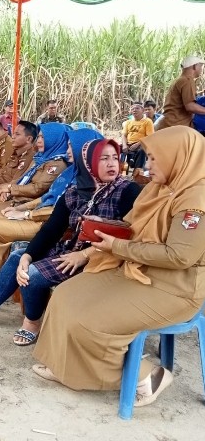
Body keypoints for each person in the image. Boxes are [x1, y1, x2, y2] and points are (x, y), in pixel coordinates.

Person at [32, 127, 205, 408]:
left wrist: (117, 246)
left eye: (154, 158)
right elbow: (133, 226)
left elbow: (179, 256)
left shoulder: (196, 200)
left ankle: (148, 375)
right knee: (65, 295)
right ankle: (65, 365)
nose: (148, 165)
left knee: (91, 321)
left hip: (174, 288)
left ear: (178, 157)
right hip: (137, 270)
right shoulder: (159, 188)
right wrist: (104, 226)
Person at [0, 139, 141, 349]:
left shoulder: (127, 191)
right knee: (18, 257)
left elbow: (130, 234)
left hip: (102, 259)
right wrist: (28, 256)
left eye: (114, 157)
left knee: (32, 275)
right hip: (71, 250)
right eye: (103, 158)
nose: (112, 163)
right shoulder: (75, 192)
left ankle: (32, 322)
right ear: (87, 162)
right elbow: (51, 230)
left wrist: (84, 255)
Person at [0, 128, 104, 288]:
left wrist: (26, 213)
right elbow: (46, 197)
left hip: (47, 223)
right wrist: (21, 208)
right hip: (39, 214)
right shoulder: (71, 171)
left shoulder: (83, 179)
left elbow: (56, 212)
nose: (67, 150)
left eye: (72, 146)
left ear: (84, 148)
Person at [0, 123, 71, 254]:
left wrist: (11, 189)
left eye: (43, 138)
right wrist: (8, 188)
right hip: (17, 199)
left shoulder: (57, 164)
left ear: (54, 139)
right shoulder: (40, 158)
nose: (38, 141)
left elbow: (38, 189)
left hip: (28, 206)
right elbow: (22, 179)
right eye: (39, 137)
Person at [157, 56, 205, 130]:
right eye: (201, 67)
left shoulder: (179, 80)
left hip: (169, 122)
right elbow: (190, 106)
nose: (201, 70)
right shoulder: (187, 80)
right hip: (176, 124)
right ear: (194, 66)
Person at [121, 102, 154, 170]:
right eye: (132, 109)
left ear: (143, 111)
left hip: (141, 144)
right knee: (115, 148)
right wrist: (124, 145)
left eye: (137, 108)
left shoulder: (148, 121)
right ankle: (119, 170)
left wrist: (137, 144)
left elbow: (149, 137)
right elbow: (124, 135)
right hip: (128, 144)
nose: (134, 110)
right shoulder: (128, 122)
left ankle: (138, 171)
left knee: (142, 150)